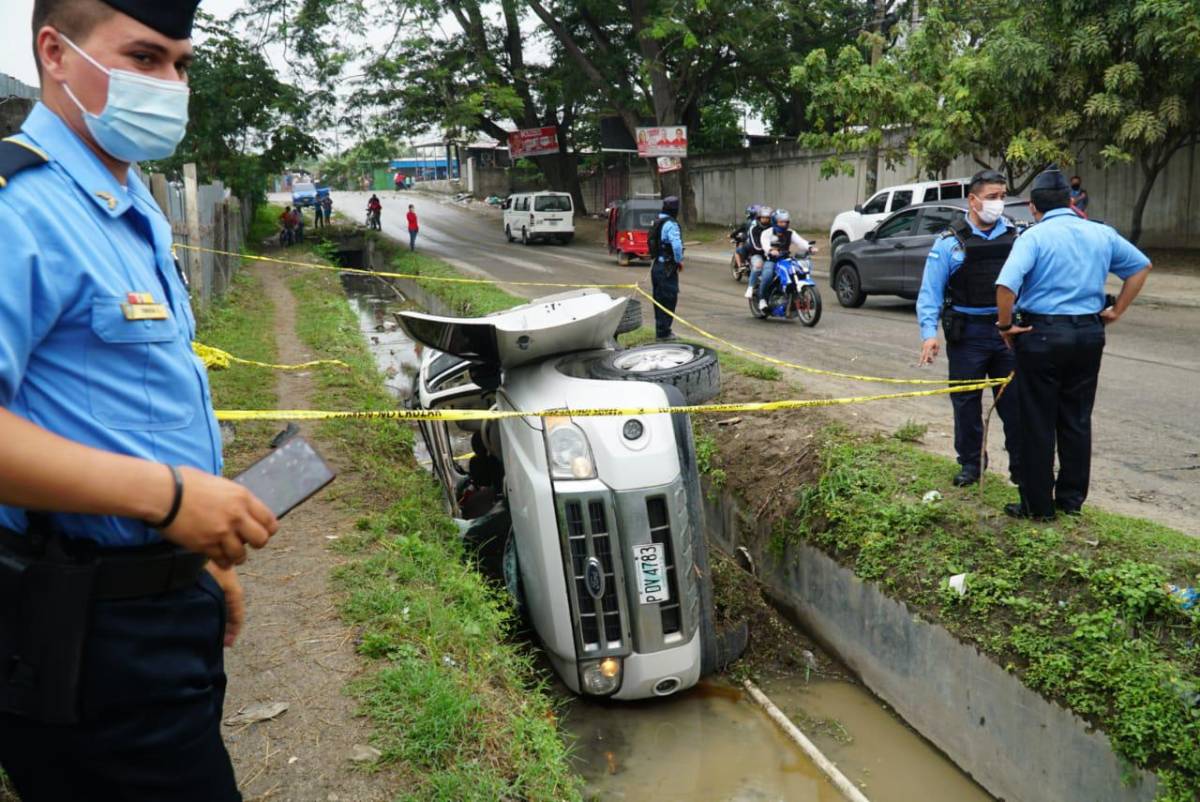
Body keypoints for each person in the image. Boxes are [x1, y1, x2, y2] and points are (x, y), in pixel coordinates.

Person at [0, 1, 280, 799]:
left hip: (159, 604)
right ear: (55, 53)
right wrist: (170, 499)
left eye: (182, 65)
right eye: (145, 58)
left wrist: (193, 558)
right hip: (83, 632)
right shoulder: (18, 210)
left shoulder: (130, 206)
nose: (170, 85)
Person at [995, 167, 1152, 520]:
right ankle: (1070, 500)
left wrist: (1005, 326)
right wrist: (1117, 310)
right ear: (1070, 200)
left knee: (1037, 419)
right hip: (1088, 334)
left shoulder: (1033, 237)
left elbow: (1005, 287)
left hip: (1042, 334)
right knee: (1076, 417)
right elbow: (1141, 267)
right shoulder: (1101, 233)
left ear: (1034, 206)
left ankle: (1038, 507)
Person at [916, 169, 1023, 488]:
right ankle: (972, 464)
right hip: (968, 334)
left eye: (1002, 197)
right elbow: (930, 292)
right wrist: (929, 335)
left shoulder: (1016, 237)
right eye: (992, 197)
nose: (998, 203)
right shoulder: (950, 242)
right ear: (973, 200)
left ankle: (1021, 465)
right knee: (965, 403)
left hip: (1008, 334)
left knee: (1015, 403)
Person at [756, 209, 813, 310]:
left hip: (786, 260)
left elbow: (800, 242)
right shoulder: (767, 233)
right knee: (768, 275)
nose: (784, 224)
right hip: (771, 260)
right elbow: (764, 244)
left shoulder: (790, 232)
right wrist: (770, 250)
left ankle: (797, 296)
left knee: (799, 271)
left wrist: (809, 247)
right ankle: (762, 300)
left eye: (785, 221)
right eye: (781, 222)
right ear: (775, 221)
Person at [649, 195, 684, 341]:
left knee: (658, 299)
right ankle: (664, 333)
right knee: (669, 299)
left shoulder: (657, 220)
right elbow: (676, 245)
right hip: (667, 269)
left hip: (656, 265)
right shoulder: (671, 224)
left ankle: (660, 330)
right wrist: (678, 260)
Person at [743, 205, 774, 298]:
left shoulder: (774, 228)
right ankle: (750, 287)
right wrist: (767, 250)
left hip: (773, 255)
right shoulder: (754, 229)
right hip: (758, 254)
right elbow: (756, 245)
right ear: (759, 218)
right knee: (758, 265)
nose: (765, 220)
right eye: (763, 217)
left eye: (767, 218)